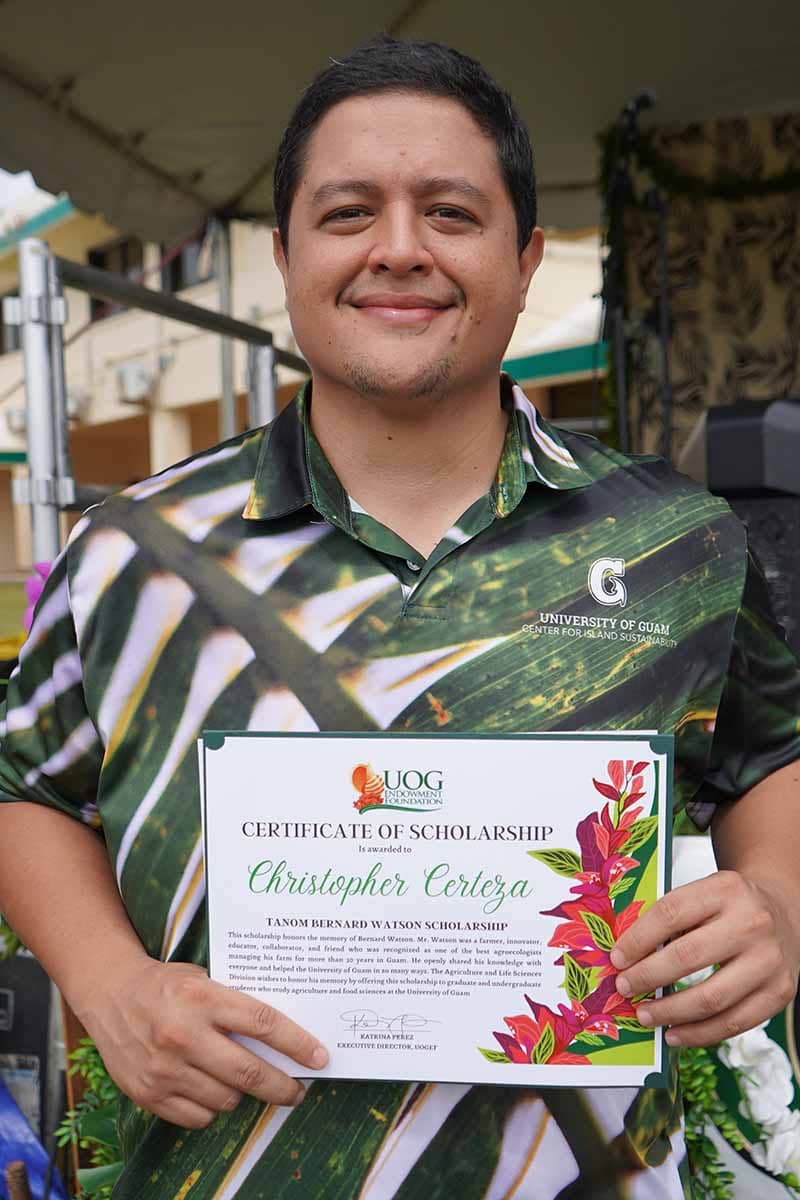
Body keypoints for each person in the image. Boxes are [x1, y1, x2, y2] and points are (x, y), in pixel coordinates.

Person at [1, 35, 799, 1200]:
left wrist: (772, 899)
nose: (397, 250)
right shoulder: (134, 550)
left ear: (524, 259)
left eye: (449, 213)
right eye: (346, 213)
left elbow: (769, 755)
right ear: (284, 255)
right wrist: (110, 983)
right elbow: (27, 787)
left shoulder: (680, 541)